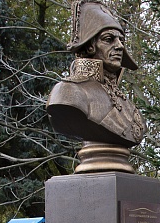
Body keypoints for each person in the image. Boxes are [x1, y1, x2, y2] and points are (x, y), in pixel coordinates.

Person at [47, 0, 144, 148]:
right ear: (91, 46)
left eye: (121, 40)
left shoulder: (125, 102)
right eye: (109, 39)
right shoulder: (67, 91)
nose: (119, 46)